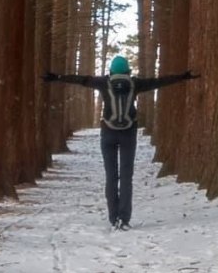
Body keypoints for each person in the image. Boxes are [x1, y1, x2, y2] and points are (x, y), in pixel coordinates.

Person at [42, 55, 198, 230]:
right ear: (128, 71)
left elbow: (81, 80)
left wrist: (57, 77)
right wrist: (183, 77)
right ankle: (124, 219)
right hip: (128, 133)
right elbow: (159, 82)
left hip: (108, 132)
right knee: (126, 177)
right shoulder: (135, 83)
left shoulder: (103, 82)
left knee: (111, 177)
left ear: (111, 71)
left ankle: (113, 218)